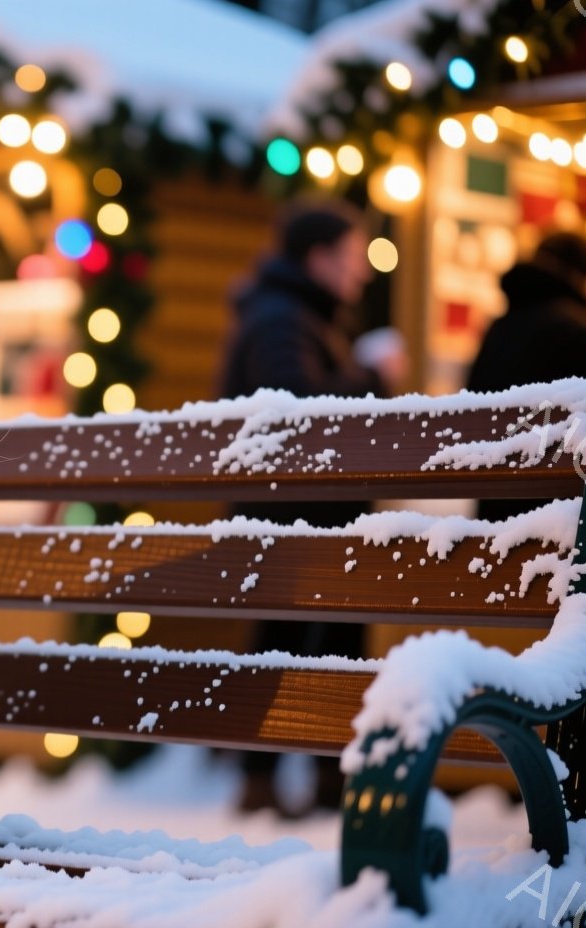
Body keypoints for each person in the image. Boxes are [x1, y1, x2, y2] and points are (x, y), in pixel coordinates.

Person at [219, 202, 403, 815]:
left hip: (301, 519)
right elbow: (296, 408)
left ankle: (322, 774)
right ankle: (266, 778)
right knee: (293, 641)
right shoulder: (281, 318)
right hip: (290, 523)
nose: (363, 271)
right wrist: (373, 376)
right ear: (319, 258)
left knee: (320, 640)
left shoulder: (294, 314)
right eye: (352, 256)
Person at [467, 233, 586, 521]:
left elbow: (474, 411)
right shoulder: (577, 331)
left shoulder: (501, 328)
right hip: (561, 520)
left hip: (493, 517)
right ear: (583, 274)